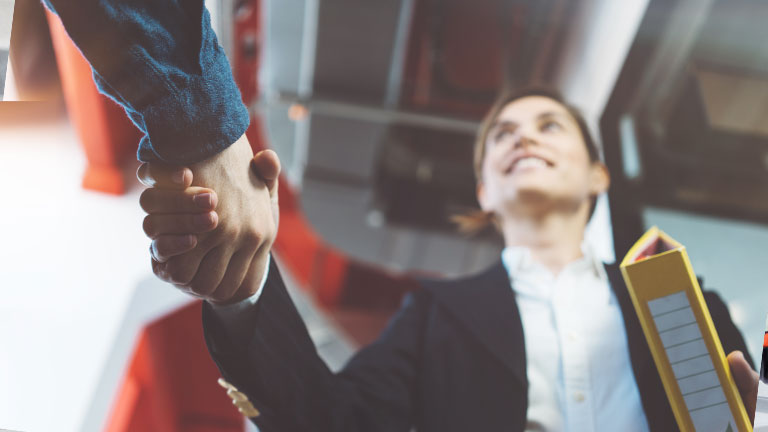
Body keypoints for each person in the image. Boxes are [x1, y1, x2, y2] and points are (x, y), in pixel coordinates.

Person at [138, 88, 759, 431]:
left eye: (550, 126)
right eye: (503, 135)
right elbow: (329, 422)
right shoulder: (436, 316)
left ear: (598, 174)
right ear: (485, 191)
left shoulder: (684, 305)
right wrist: (245, 287)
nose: (523, 138)